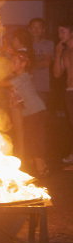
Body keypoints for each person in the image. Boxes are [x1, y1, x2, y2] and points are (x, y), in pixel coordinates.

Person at [0, 50, 48, 177]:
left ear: (23, 64)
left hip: (36, 112)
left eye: (15, 62)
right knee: (32, 139)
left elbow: (4, 84)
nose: (12, 64)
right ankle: (40, 166)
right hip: (30, 113)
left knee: (36, 140)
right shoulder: (17, 77)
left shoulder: (23, 76)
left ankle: (40, 169)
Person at [53, 22, 73, 169]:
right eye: (59, 32)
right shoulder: (65, 52)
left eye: (63, 32)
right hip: (69, 91)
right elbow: (57, 74)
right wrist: (58, 53)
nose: (60, 35)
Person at [28, 18, 54, 106]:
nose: (36, 30)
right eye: (33, 27)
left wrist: (29, 64)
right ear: (29, 29)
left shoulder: (49, 44)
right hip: (26, 85)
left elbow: (47, 63)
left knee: (41, 112)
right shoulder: (24, 44)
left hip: (42, 85)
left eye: (39, 27)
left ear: (43, 30)